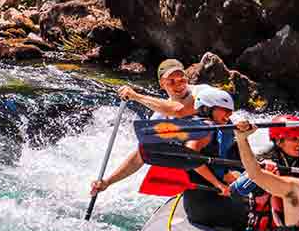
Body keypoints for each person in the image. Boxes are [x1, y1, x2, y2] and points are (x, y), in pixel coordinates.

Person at [89, 59, 210, 196]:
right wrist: (107, 182)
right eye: (171, 81)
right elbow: (140, 155)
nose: (179, 84)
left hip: (223, 153)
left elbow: (179, 110)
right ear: (162, 84)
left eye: (181, 79)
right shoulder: (159, 116)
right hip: (196, 166)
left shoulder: (202, 92)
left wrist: (136, 96)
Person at [229, 115, 299, 231]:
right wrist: (261, 171)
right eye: (294, 139)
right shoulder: (263, 161)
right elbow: (235, 191)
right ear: (278, 141)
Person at [181, 87, 248, 231]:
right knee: (252, 214)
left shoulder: (220, 128)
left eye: (230, 111)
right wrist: (218, 184)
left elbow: (232, 159)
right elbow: (190, 155)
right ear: (207, 108)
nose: (229, 114)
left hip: (207, 198)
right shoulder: (206, 128)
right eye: (224, 110)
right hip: (203, 203)